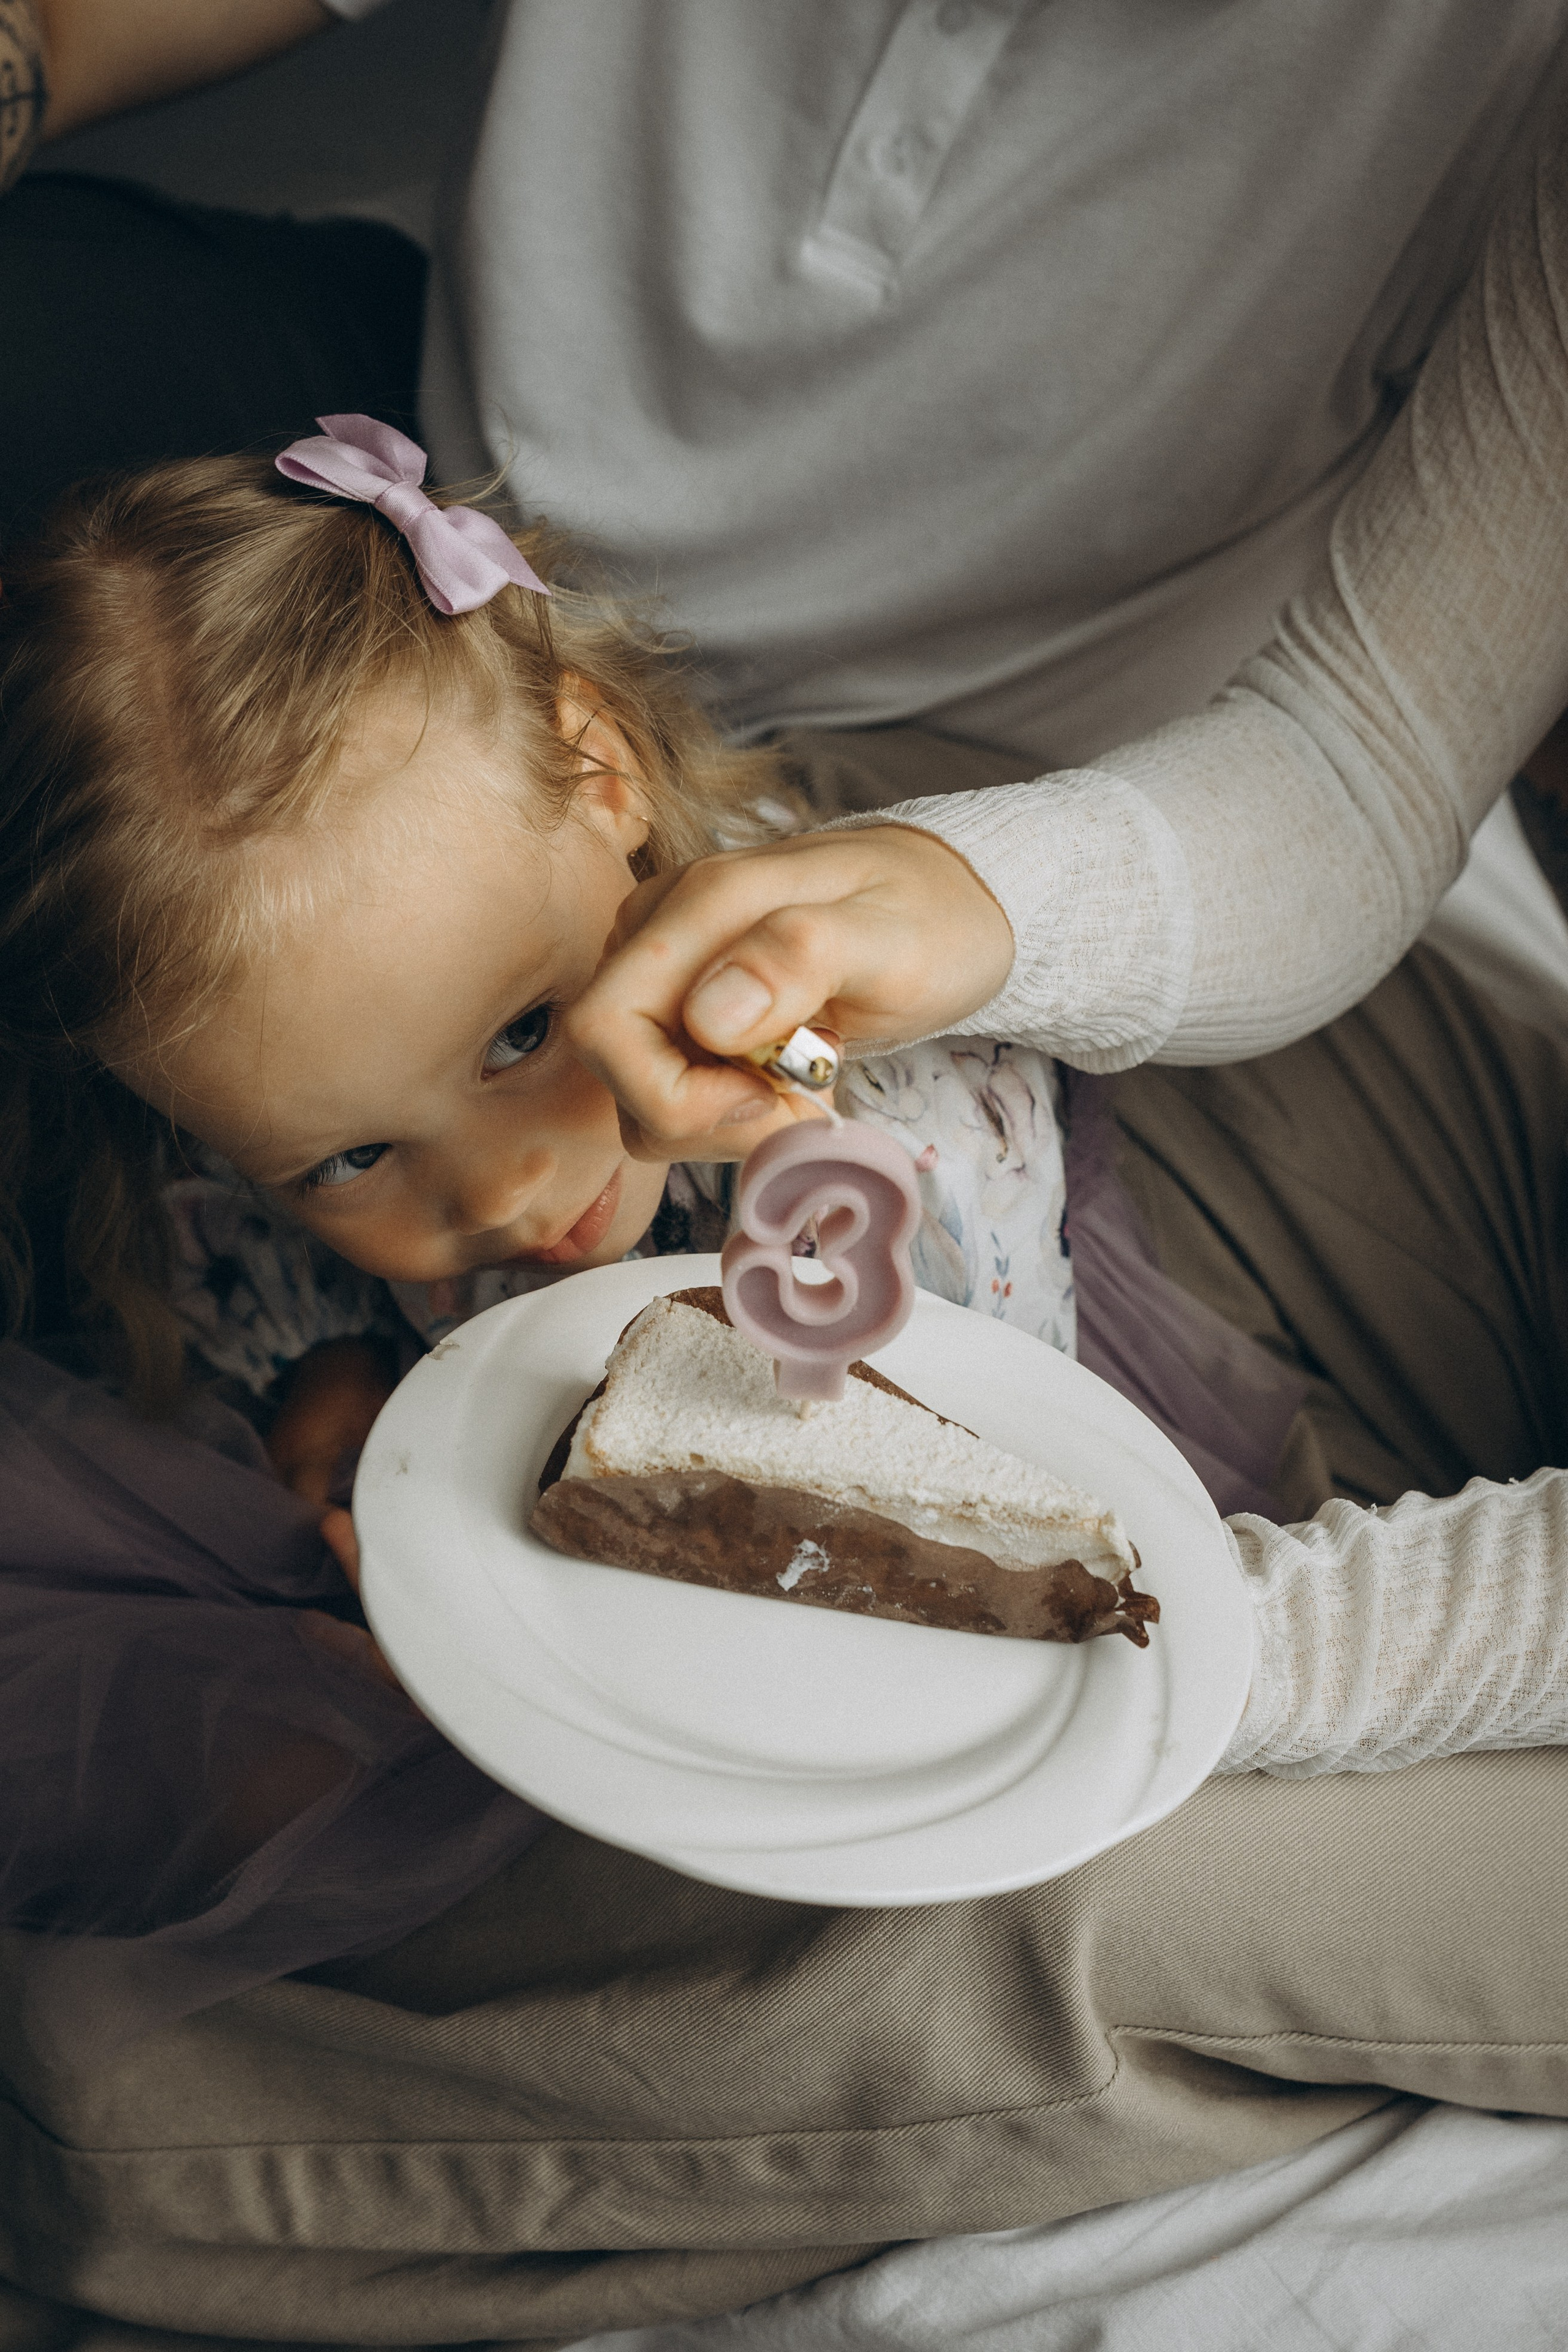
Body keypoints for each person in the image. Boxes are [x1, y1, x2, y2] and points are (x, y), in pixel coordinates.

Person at [0, 405, 1564, 2344]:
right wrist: (321, 1387)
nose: (512, 1195)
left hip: (937, 1537)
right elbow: (232, 1263)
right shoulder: (256, 1135)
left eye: (518, 1034)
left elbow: (977, 1505)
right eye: (348, 1161)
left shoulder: (868, 1105)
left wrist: (815, 1263)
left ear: (603, 774)